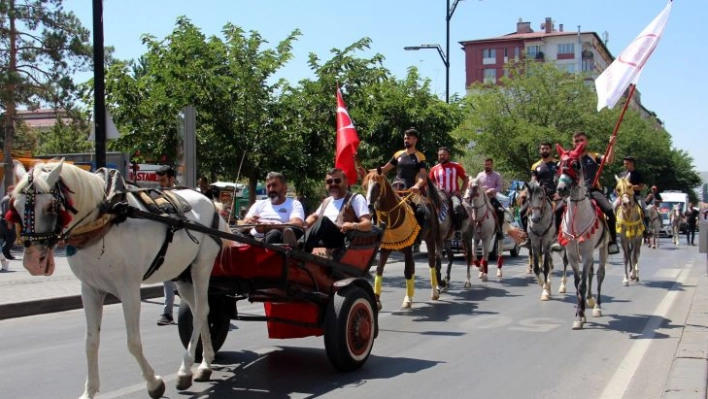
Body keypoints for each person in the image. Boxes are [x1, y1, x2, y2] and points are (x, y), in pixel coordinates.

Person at [302, 168, 372, 252]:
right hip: (322, 238)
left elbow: (368, 224)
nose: (333, 184)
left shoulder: (356, 198)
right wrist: (304, 224)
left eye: (337, 181)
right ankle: (292, 246)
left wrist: (352, 225)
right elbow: (314, 216)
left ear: (346, 182)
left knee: (324, 220)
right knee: (295, 228)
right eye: (329, 182)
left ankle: (299, 247)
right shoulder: (326, 201)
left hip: (341, 239)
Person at [572, 131, 620, 255]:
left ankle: (612, 241)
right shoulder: (570, 158)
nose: (579, 143)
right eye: (576, 141)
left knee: (609, 210)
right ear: (573, 143)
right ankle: (559, 241)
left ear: (586, 142)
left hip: (592, 190)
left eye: (581, 140)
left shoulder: (593, 155)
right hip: (574, 192)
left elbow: (609, 160)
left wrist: (612, 145)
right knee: (558, 210)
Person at [374, 127, 431, 229]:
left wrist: (417, 186)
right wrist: (366, 171)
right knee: (376, 205)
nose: (406, 140)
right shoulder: (398, 154)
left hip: (411, 192)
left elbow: (423, 176)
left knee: (422, 211)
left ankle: (418, 237)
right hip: (394, 190)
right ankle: (376, 231)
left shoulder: (420, 156)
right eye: (405, 138)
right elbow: (384, 169)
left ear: (415, 140)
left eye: (408, 138)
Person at [241, 171, 305, 245]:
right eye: (268, 186)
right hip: (253, 240)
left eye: (274, 185)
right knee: (234, 234)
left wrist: (271, 226)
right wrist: (250, 223)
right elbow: (244, 224)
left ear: (285, 188)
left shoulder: (294, 204)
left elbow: (297, 224)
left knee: (274, 233)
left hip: (276, 241)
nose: (271, 189)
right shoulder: (258, 204)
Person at [528, 141, 564, 250]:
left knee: (559, 210)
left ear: (550, 150)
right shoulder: (535, 166)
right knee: (523, 210)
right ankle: (526, 235)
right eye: (542, 148)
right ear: (540, 150)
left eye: (547, 148)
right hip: (540, 196)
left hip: (555, 195)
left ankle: (557, 237)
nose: (544, 150)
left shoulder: (558, 164)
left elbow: (563, 179)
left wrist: (560, 193)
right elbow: (533, 180)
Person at [155, 165, 178, 326]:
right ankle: (167, 313)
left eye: (163, 180)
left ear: (171, 179)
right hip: (166, 245)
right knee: (168, 279)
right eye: (159, 181)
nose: (161, 184)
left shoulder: (181, 195)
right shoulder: (157, 196)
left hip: (182, 243)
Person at [429, 146, 468, 230]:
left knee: (457, 207)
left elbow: (466, 178)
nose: (441, 157)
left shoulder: (457, 166)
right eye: (439, 155)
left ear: (448, 155)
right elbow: (430, 184)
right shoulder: (434, 169)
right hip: (439, 196)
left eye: (443, 155)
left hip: (453, 195)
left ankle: (458, 230)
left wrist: (461, 191)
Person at [475, 158, 505, 240]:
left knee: (500, 210)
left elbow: (500, 187)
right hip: (480, 199)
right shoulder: (479, 175)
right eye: (485, 164)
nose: (487, 166)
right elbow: (475, 185)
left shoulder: (497, 175)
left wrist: (492, 190)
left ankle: (499, 230)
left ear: (492, 165)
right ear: (483, 165)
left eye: (489, 164)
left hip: (491, 199)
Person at [617, 155, 648, 231]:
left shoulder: (638, 174)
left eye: (626, 163)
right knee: (613, 207)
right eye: (624, 163)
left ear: (632, 163)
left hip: (636, 196)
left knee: (645, 209)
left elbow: (641, 186)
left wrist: (630, 187)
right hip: (623, 196)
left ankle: (646, 228)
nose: (625, 165)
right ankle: (614, 227)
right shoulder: (621, 174)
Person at [1, 185, 17, 261]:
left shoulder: (10, 199)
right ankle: (4, 250)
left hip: (8, 220)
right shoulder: (7, 199)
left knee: (8, 237)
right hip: (6, 220)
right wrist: (9, 222)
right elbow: (6, 212)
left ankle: (6, 254)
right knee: (11, 237)